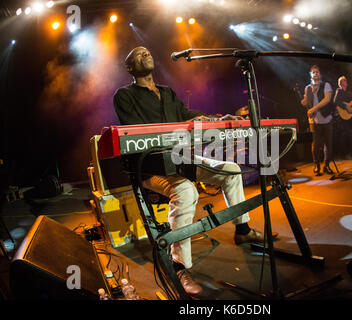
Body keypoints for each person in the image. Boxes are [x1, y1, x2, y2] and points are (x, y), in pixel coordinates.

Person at [113, 47, 269, 295]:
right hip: (150, 167)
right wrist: (186, 125)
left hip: (181, 158)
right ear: (129, 68)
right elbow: (138, 129)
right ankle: (179, 265)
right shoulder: (124, 95)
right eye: (138, 54)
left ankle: (242, 230)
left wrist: (215, 118)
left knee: (231, 169)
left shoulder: (167, 92)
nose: (146, 53)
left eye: (147, 51)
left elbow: (187, 115)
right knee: (185, 191)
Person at [300, 65, 335, 175]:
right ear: (310, 74)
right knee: (315, 145)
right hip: (314, 121)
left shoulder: (326, 85)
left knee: (328, 145)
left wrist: (314, 108)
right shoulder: (307, 88)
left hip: (326, 119)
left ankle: (327, 165)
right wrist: (304, 101)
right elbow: (307, 101)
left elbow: (327, 99)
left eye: (317, 72)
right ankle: (316, 165)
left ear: (320, 74)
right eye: (313, 72)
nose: (315, 73)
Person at [333, 76, 352, 159]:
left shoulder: (349, 93)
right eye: (344, 80)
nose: (346, 81)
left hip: (350, 116)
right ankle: (343, 154)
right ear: (340, 83)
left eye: (346, 80)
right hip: (342, 116)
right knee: (344, 135)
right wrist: (345, 106)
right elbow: (336, 101)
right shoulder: (339, 91)